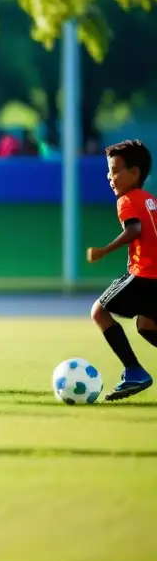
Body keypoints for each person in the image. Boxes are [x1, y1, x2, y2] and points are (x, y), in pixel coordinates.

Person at [86, 140, 157, 401]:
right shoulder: (150, 199)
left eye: (116, 170)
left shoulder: (127, 200)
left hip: (145, 273)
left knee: (99, 311)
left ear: (134, 173)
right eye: (109, 170)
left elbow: (134, 230)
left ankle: (134, 371)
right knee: (147, 324)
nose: (110, 177)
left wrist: (105, 249)